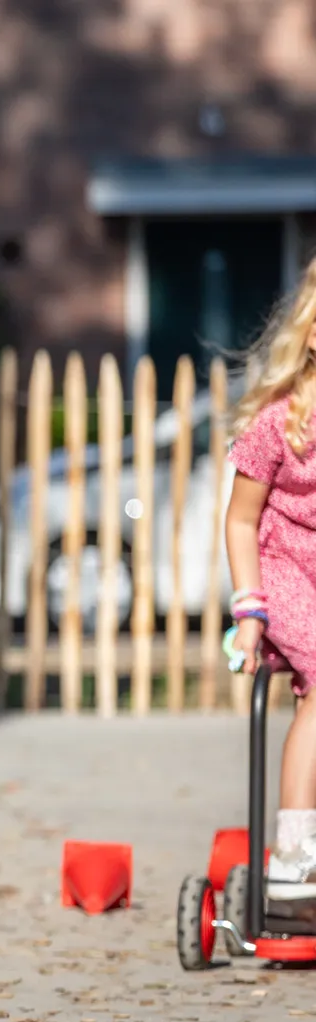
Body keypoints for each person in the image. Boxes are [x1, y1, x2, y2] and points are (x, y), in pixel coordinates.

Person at [226, 254, 316, 894]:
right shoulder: (275, 423)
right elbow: (238, 521)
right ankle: (292, 856)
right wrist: (250, 609)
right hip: (281, 566)